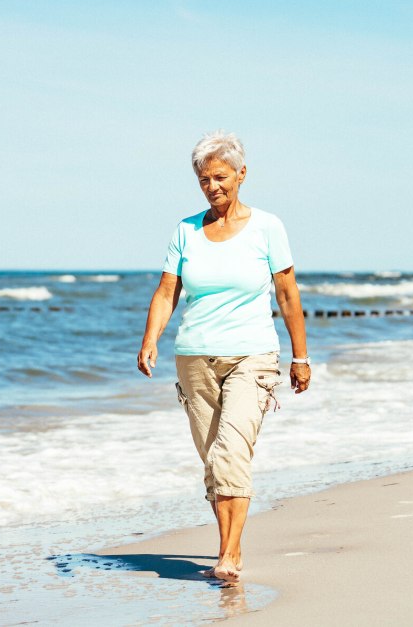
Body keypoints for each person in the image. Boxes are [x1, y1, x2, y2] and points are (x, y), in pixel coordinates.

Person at [136, 130, 311, 584]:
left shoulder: (267, 227)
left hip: (252, 356)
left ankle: (229, 553)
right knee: (213, 458)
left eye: (220, 177)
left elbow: (288, 295)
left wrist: (301, 356)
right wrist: (150, 337)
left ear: (241, 174)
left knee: (232, 450)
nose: (212, 187)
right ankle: (227, 543)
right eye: (203, 180)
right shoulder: (186, 230)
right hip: (194, 357)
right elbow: (167, 290)